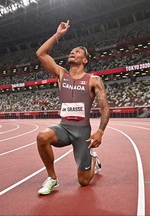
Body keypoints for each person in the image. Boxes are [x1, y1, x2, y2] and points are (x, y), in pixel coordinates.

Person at [35, 20, 110, 195]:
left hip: (82, 132)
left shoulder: (94, 80)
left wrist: (100, 131)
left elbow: (104, 108)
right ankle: (52, 178)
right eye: (71, 51)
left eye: (77, 52)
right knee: (42, 137)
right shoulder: (62, 74)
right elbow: (41, 53)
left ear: (84, 60)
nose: (72, 52)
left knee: (83, 182)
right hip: (64, 128)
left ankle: (92, 158)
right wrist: (58, 35)